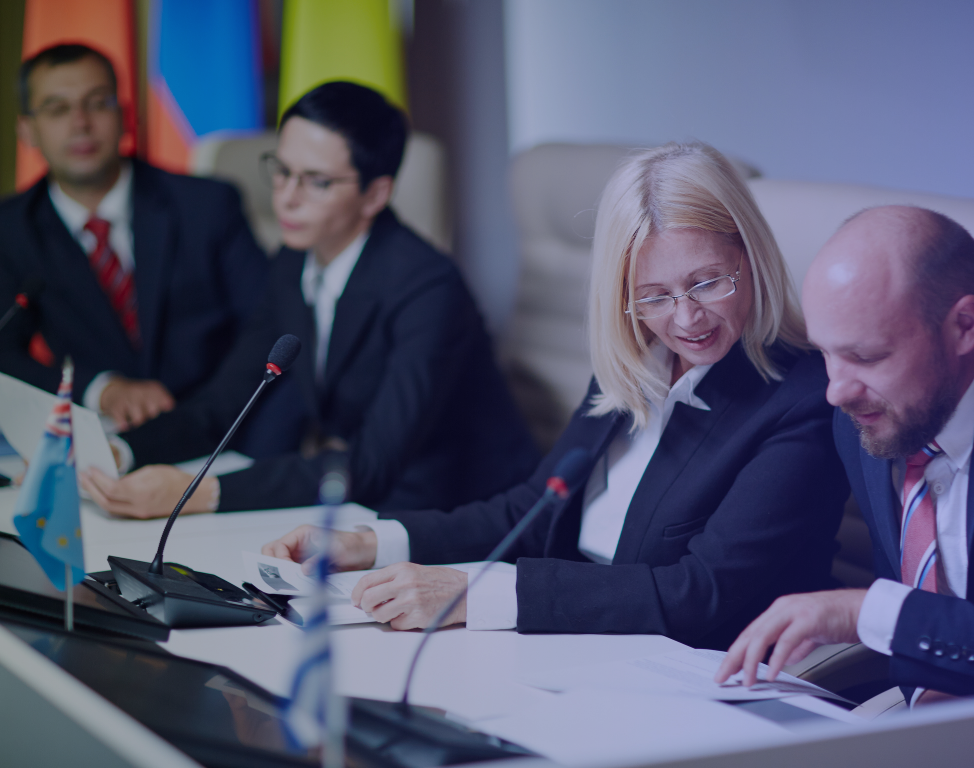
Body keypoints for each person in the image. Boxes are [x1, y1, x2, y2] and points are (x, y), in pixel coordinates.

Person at [261, 142, 849, 648]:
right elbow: (531, 511)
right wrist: (368, 544)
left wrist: (476, 594)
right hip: (575, 643)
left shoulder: (802, 400)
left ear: (751, 258)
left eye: (707, 282)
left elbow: (702, 592)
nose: (686, 317)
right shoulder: (640, 358)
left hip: (690, 672)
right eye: (653, 295)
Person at [80, 81, 539, 517]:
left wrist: (199, 492)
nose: (285, 198)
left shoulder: (429, 288)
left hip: (459, 515)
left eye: (316, 182)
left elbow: (372, 463)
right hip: (364, 502)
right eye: (282, 171)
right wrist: (120, 451)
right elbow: (224, 402)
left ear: (375, 194)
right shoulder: (292, 261)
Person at [715, 205, 974, 703]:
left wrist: (863, 613)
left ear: (964, 325)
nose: (835, 392)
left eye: (865, 356)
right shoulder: (867, 414)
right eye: (826, 353)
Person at [0, 43, 268, 431]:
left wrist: (205, 420)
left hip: (222, 425)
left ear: (125, 115)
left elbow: (265, 325)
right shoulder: (11, 229)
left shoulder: (206, 205)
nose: (81, 123)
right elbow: (3, 353)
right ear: (27, 130)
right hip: (99, 433)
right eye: (58, 109)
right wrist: (99, 389)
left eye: (98, 103)